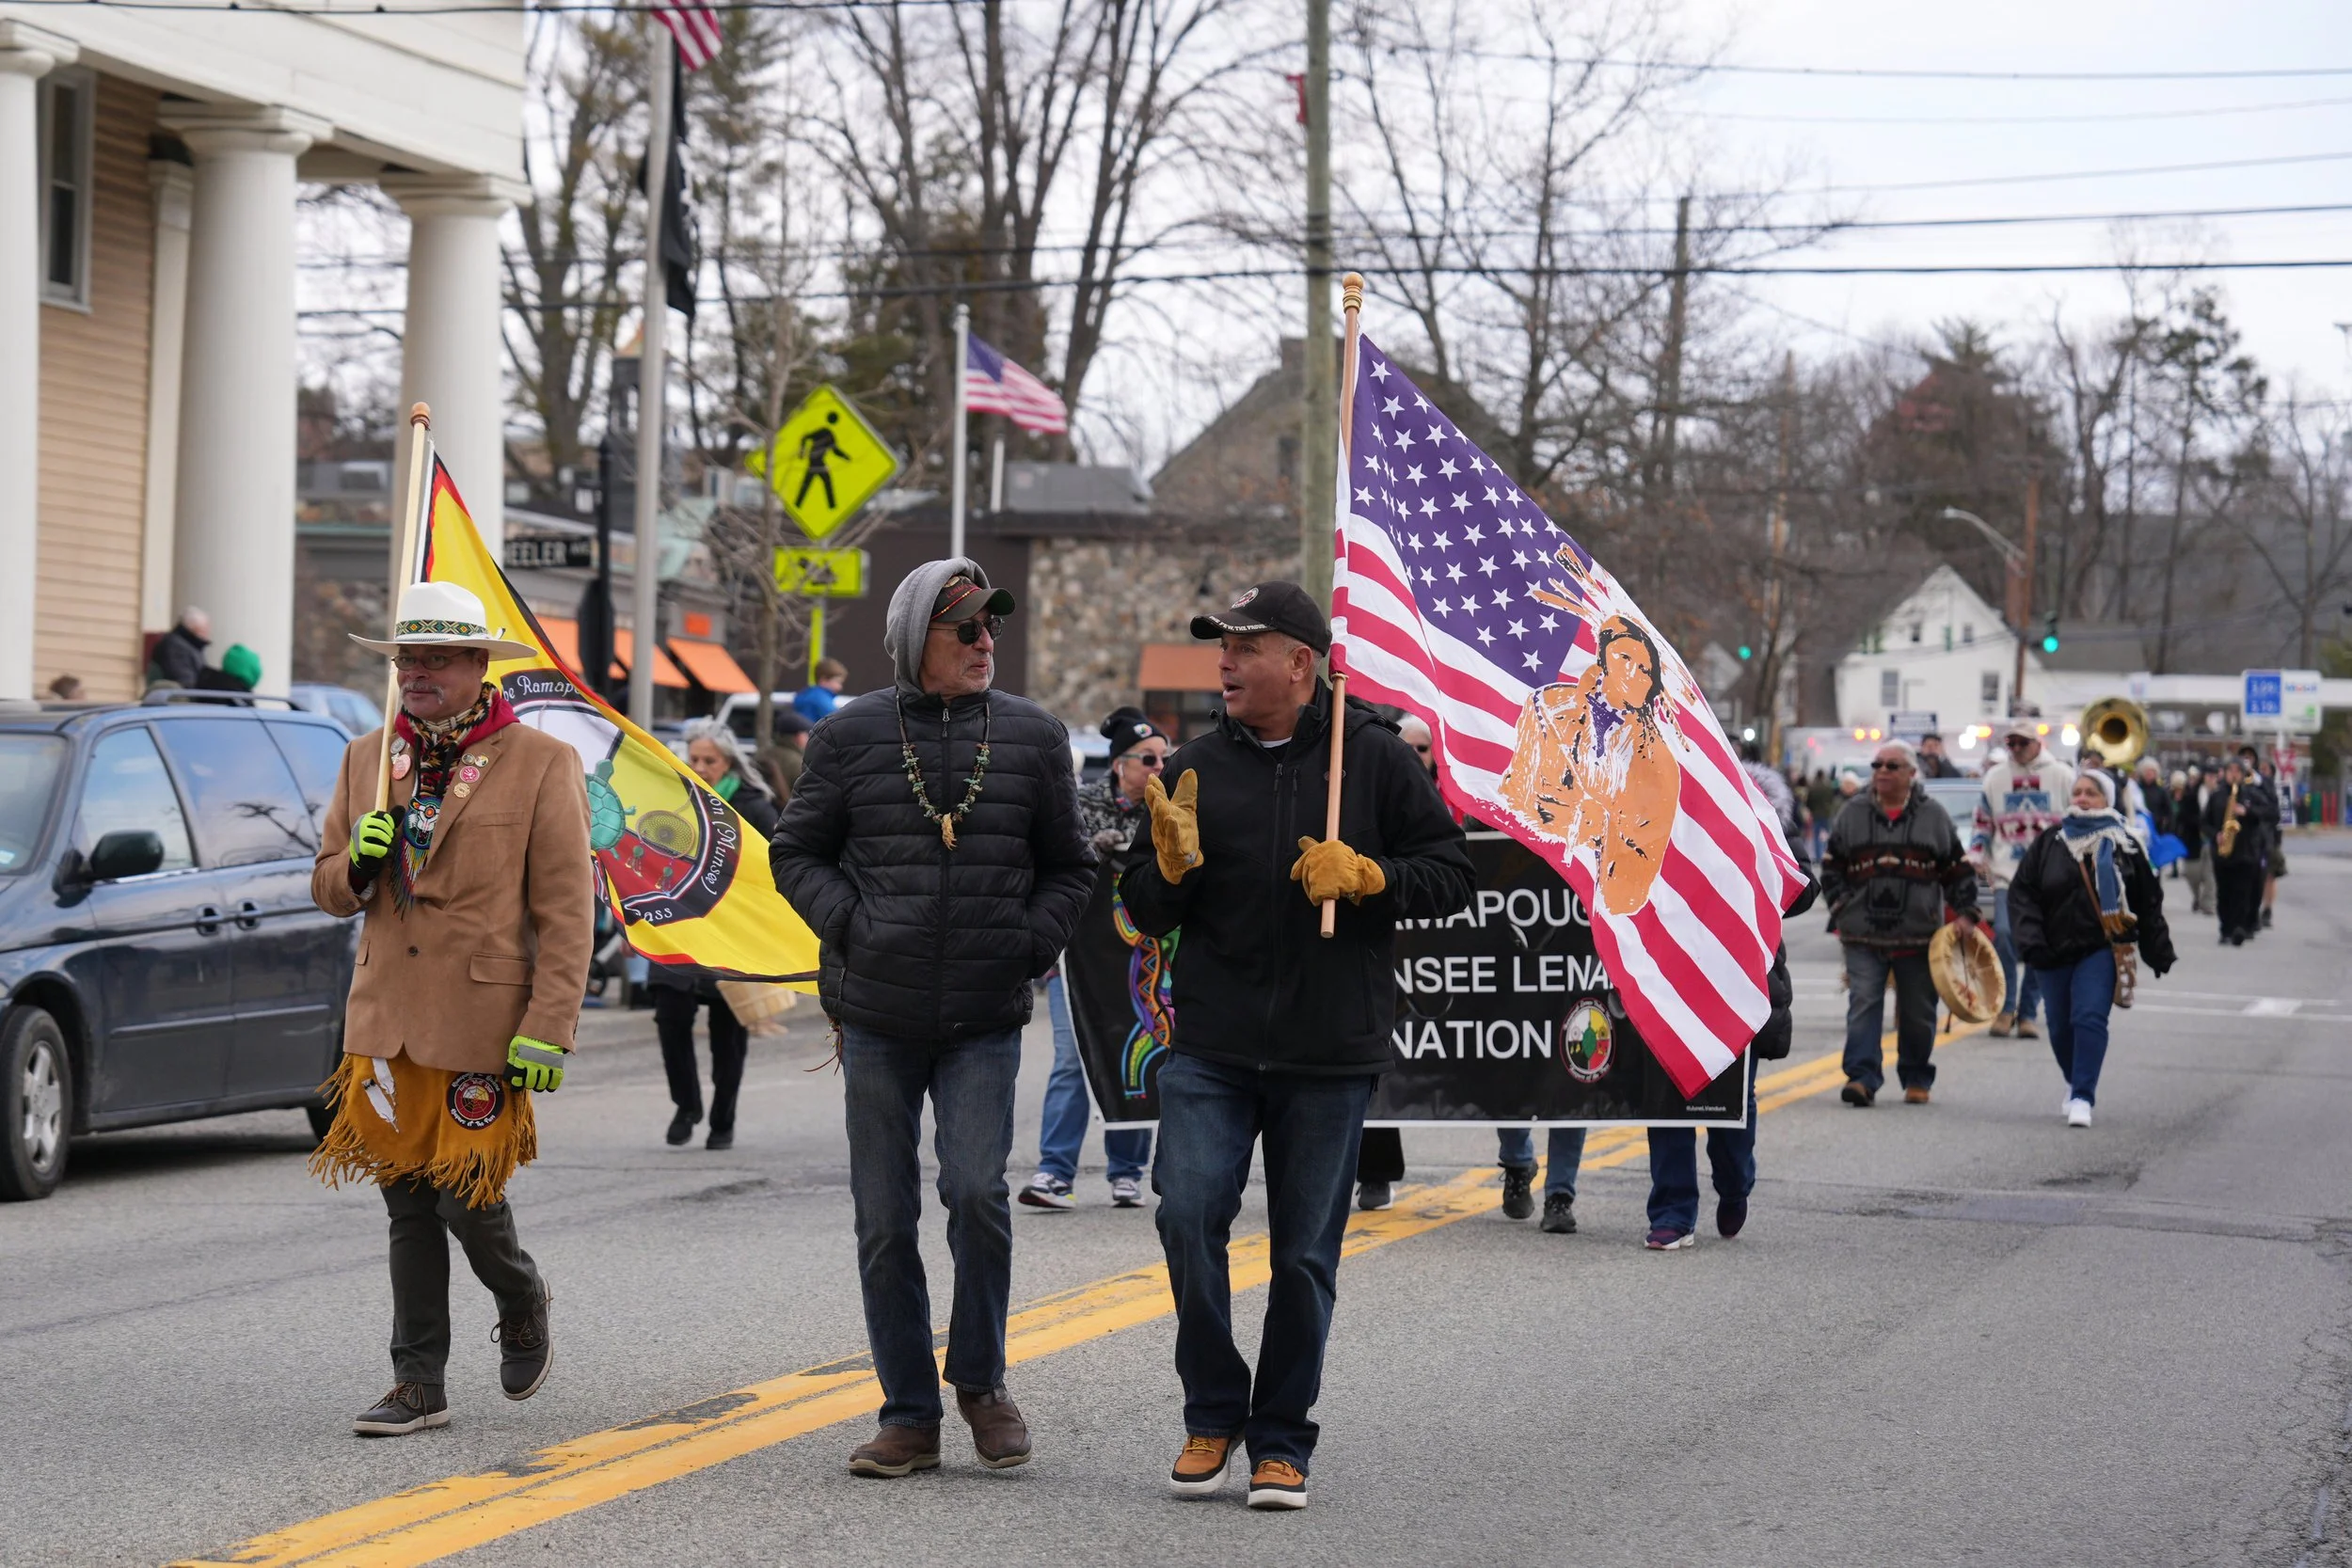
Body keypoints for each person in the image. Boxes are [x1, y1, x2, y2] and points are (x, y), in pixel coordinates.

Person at [1120, 581, 1473, 1511]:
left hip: (1327, 1050)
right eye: (1220, 646)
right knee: (1184, 1214)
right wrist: (1159, 867)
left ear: (1301, 664)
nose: (1224, 662)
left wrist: (1367, 874)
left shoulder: (1376, 760)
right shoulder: (1194, 764)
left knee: (1303, 1255)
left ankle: (1280, 1439)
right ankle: (1211, 1408)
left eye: (1244, 645)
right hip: (1213, 1045)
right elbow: (1146, 912)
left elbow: (1452, 874)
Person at [768, 560, 1093, 1480]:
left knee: (977, 1192)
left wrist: (1027, 943)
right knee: (882, 1215)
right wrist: (853, 925)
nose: (986, 641)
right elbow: (796, 850)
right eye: (966, 629)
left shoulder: (1032, 736)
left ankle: (982, 1383)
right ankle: (908, 1411)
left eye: (991, 627)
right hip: (877, 1011)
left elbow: (1071, 865)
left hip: (985, 1012)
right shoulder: (850, 736)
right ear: (918, 642)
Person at [308, 581, 593, 1437]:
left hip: (483, 1023)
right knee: (407, 1203)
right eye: (406, 658)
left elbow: (566, 911)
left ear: (479, 665)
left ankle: (519, 1292)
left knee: (467, 1198)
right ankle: (417, 1379)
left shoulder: (542, 762)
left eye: (435, 658)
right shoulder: (367, 758)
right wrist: (354, 866)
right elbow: (326, 886)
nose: (416, 673)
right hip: (385, 1021)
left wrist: (549, 1025)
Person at [1358, 714, 1585, 1231]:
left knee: (1571, 1077)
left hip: (1561, 962)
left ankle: (1561, 1195)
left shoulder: (1567, 809)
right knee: (1507, 1067)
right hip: (1487, 964)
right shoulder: (1478, 808)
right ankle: (1517, 1159)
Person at [1022, 705, 1165, 1211]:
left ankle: (1127, 1171)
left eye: (1164, 759)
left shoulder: (1167, 810)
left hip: (1138, 964)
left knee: (1131, 1052)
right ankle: (1054, 1173)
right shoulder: (1079, 804)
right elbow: (1049, 864)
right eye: (1148, 759)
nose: (1158, 769)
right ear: (1121, 764)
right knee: (1072, 1059)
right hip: (1077, 960)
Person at [2009, 770, 2174, 1127]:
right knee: (2058, 1027)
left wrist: (2157, 949)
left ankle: (2083, 1095)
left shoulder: (2125, 844)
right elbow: (2023, 893)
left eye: (2091, 793)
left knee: (2088, 1017)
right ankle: (2074, 1080)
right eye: (2078, 792)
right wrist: (2031, 942)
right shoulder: (2050, 841)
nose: (2082, 798)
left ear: (2107, 800)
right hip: (2049, 950)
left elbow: (2148, 900)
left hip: (2099, 948)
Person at [1823, 739, 1981, 1107]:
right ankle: (1862, 1078)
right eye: (1877, 764)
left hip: (1919, 934)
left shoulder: (1934, 817)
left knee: (1917, 1010)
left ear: (1912, 774)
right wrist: (1843, 906)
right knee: (1863, 1003)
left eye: (1891, 766)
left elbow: (1956, 871)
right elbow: (1831, 867)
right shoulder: (1852, 813)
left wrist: (1967, 913)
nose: (1881, 771)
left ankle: (1915, 1076)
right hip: (1862, 932)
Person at [653, 721, 781, 1151]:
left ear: (729, 763)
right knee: (670, 1016)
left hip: (732, 936)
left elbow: (777, 864)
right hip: (678, 930)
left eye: (710, 760)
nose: (701, 767)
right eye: (695, 760)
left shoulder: (753, 805)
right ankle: (685, 1105)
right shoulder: (673, 800)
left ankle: (722, 1119)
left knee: (728, 1032)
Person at [1643, 933, 1802, 1248]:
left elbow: (1803, 889)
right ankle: (1672, 1213)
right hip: (1668, 974)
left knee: (1733, 1102)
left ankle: (1734, 1185)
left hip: (1737, 980)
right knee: (1666, 1100)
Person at [1972, 721, 2073, 1040]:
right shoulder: (1995, 778)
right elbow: (1982, 822)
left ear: (2036, 742)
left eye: (2022, 743)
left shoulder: (2061, 775)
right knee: (2002, 933)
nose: (2016, 749)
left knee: (2039, 943)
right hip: (2007, 873)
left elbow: (2075, 820)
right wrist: (1976, 854)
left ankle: (2027, 1012)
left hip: (2051, 875)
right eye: (2011, 743)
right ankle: (2006, 1007)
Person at [2205, 756, 2273, 945]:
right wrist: (2215, 835)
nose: (2234, 775)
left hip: (2246, 852)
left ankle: (2239, 927)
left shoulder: (2251, 795)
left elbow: (2268, 813)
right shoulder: (2217, 796)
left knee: (2242, 892)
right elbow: (2205, 823)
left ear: (2243, 775)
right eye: (2230, 771)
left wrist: (2247, 812)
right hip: (2222, 853)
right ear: (2225, 774)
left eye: (2237, 772)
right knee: (2224, 892)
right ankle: (2225, 928)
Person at [2171, 766, 2214, 915]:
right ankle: (2197, 896)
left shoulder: (2221, 794)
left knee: (2210, 874)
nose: (2212, 779)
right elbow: (2182, 816)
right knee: (2192, 873)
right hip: (2194, 838)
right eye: (2209, 776)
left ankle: (2208, 904)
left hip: (2213, 839)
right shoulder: (2192, 794)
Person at [754, 708, 812, 805]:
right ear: (798, 736)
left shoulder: (762, 754)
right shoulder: (799, 762)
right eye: (806, 735)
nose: (808, 738)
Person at [147, 605, 210, 689]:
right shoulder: (175, 647)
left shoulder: (192, 645)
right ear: (192, 628)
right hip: (178, 697)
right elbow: (184, 680)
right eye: (203, 630)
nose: (207, 634)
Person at [793, 657, 849, 725]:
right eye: (837, 682)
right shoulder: (821, 700)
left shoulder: (806, 694)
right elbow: (837, 723)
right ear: (823, 679)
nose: (840, 687)